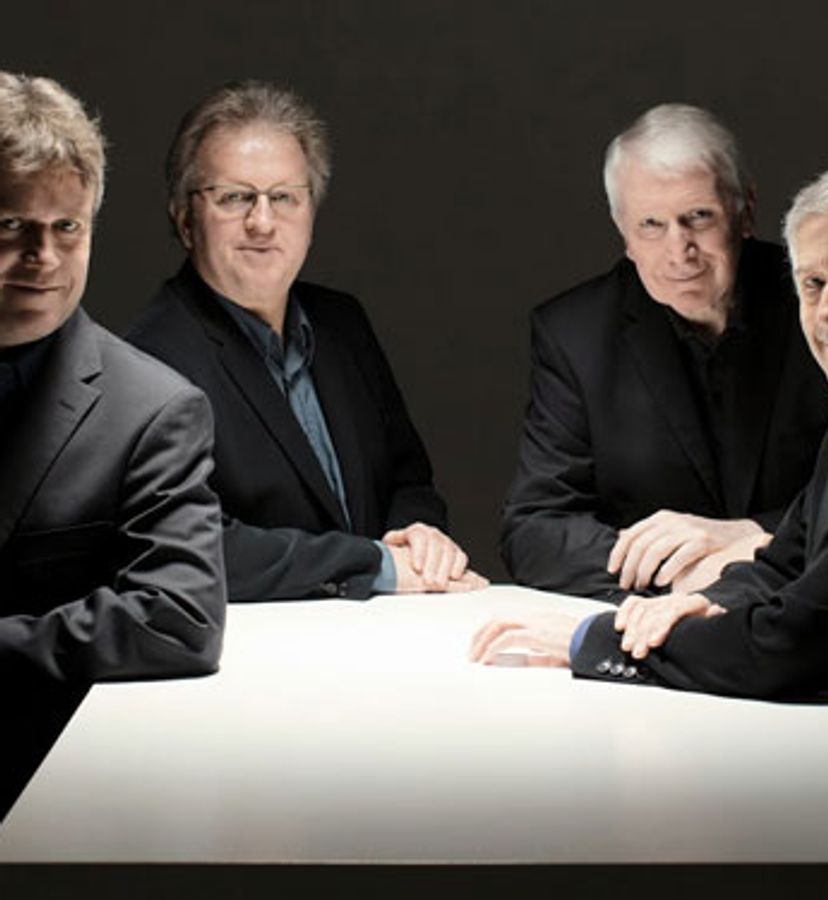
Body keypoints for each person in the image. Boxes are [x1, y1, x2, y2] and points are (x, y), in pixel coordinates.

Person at [472, 156, 828, 711]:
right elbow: (785, 564)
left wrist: (598, 641)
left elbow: (795, 641)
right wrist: (689, 607)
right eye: (813, 284)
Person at [129, 81, 486, 602]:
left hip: (383, 630)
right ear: (185, 220)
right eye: (235, 198)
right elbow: (195, 545)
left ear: (311, 213)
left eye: (284, 198)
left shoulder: (342, 324)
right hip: (258, 645)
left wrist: (418, 536)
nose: (262, 222)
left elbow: (408, 478)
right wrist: (375, 565)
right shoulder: (150, 361)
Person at [502, 104, 828, 601]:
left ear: (745, 210)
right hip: (660, 614)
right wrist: (683, 570)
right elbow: (535, 531)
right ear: (623, 232)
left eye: (698, 217)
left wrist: (750, 537)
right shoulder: (573, 334)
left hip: (810, 609)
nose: (679, 250)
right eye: (651, 225)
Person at [0, 71, 225, 683]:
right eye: (11, 224)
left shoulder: (154, 411)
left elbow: (178, 622)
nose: (44, 257)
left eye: (67, 227)